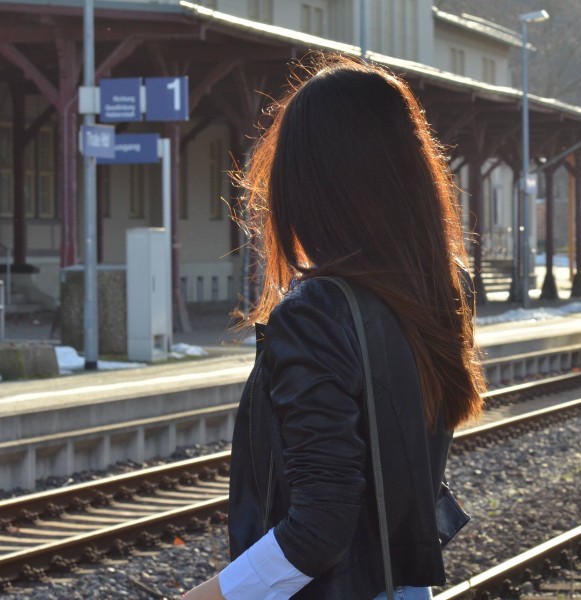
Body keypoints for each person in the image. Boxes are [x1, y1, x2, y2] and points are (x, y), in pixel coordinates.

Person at [183, 54, 485, 599]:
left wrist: (211, 596)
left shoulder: (315, 315)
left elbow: (321, 525)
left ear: (309, 183)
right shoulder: (441, 290)